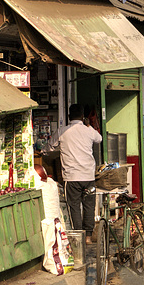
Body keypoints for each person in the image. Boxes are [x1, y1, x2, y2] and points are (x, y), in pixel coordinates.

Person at [50, 104, 102, 244]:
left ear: (68, 117)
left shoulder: (62, 131)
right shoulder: (89, 131)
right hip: (88, 176)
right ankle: (88, 237)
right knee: (89, 206)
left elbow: (48, 147)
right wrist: (89, 125)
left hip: (72, 178)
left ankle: (78, 237)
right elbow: (99, 139)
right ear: (82, 117)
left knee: (74, 206)